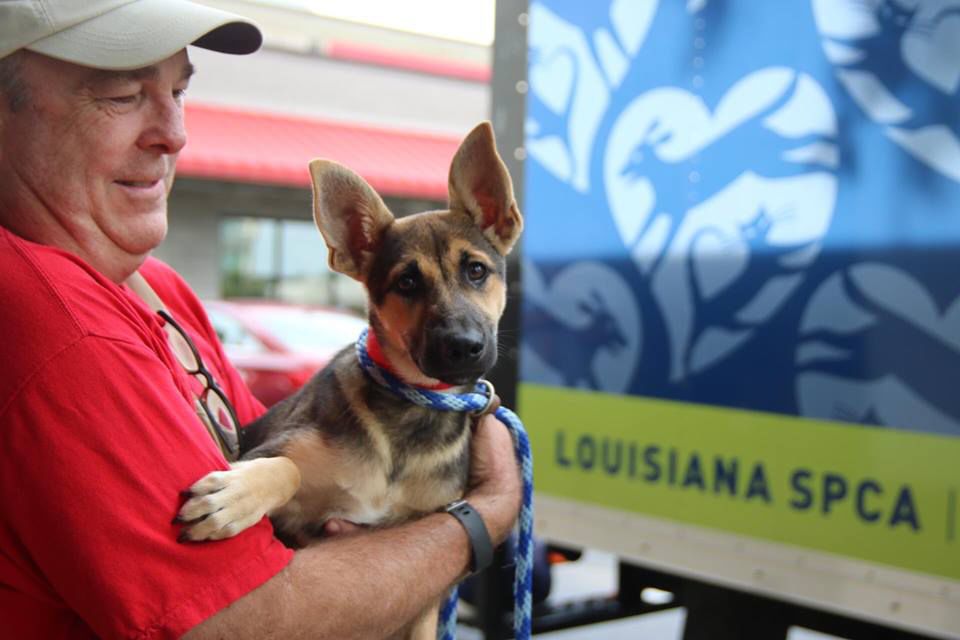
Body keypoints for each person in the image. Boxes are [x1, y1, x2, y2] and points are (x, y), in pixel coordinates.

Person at [0, 1, 522, 638]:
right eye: (121, 93)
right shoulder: (53, 320)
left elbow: (266, 446)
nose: (175, 131)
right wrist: (480, 518)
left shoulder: (155, 288)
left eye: (179, 89)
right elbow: (237, 623)